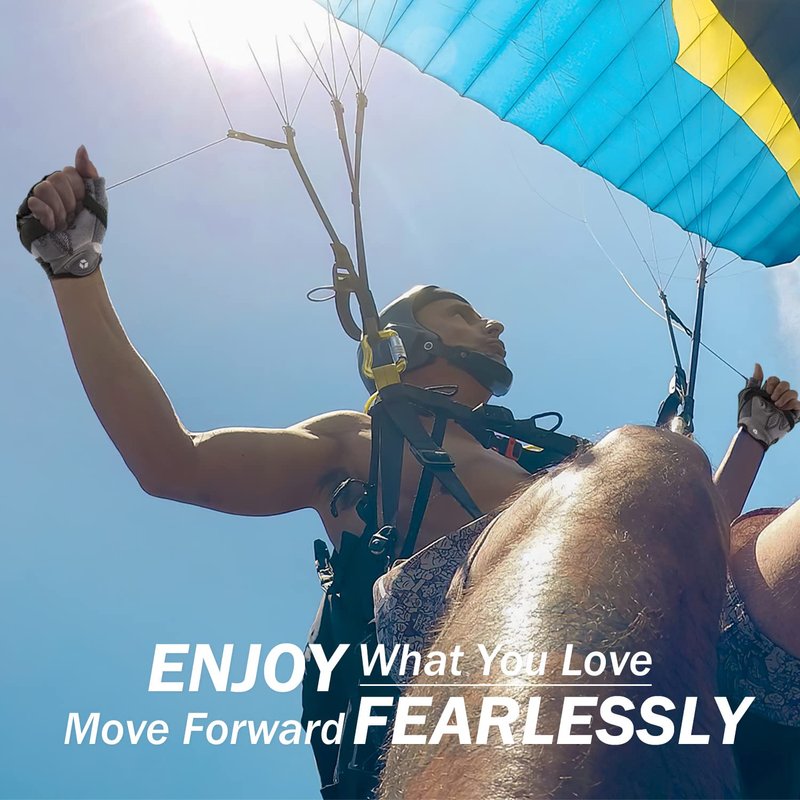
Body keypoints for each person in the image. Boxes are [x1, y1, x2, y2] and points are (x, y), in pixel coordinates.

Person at [16, 147, 800, 798]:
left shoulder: (550, 469)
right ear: (402, 343)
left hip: (660, 671)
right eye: (460, 313)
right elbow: (172, 462)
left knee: (678, 487)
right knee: (641, 455)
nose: (492, 322)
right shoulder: (358, 445)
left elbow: (684, 548)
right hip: (472, 699)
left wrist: (751, 443)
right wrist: (75, 269)